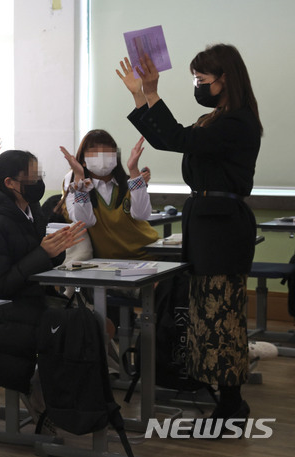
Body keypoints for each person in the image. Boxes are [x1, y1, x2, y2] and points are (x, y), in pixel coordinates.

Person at [117, 44, 262, 424]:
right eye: (195, 79)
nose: (197, 86)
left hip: (222, 228)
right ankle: (222, 392)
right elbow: (173, 138)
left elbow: (177, 139)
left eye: (202, 80)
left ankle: (232, 402)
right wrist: (142, 93)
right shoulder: (214, 118)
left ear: (226, 78)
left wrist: (150, 93)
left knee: (221, 314)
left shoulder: (238, 122)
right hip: (206, 222)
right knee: (205, 313)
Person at [0, 149, 85, 422]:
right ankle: (48, 407)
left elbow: (37, 260)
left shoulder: (30, 212)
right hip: (4, 315)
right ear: (10, 183)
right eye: (31, 178)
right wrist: (42, 254)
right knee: (81, 330)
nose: (38, 182)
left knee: (95, 325)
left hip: (31, 303)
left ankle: (64, 403)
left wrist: (56, 250)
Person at [60, 129, 158, 260]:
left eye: (108, 152)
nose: (102, 157)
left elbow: (142, 215)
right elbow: (85, 222)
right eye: (95, 152)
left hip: (149, 255)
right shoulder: (74, 183)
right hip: (111, 263)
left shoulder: (129, 182)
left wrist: (133, 169)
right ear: (83, 160)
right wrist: (80, 177)